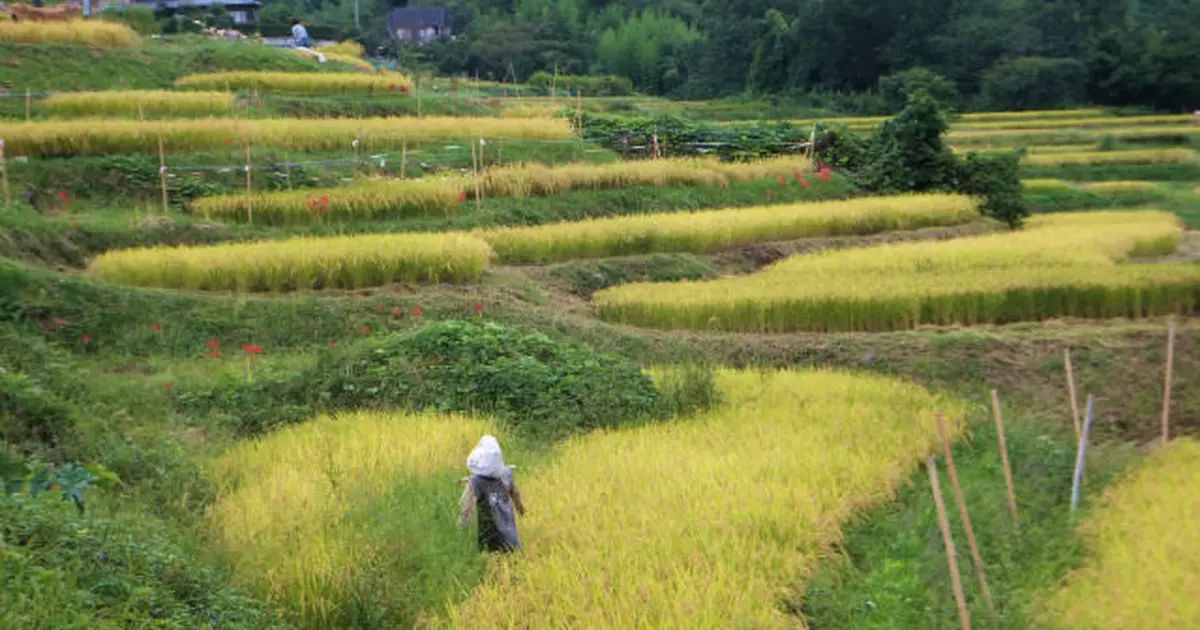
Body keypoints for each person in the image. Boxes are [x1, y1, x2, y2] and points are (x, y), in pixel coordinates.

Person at [458, 435, 525, 553]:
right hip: (507, 525)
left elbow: (467, 508)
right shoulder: (506, 474)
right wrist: (520, 509)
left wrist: (462, 526)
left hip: (489, 528)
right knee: (512, 551)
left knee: (491, 552)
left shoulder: (476, 482)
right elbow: (515, 493)